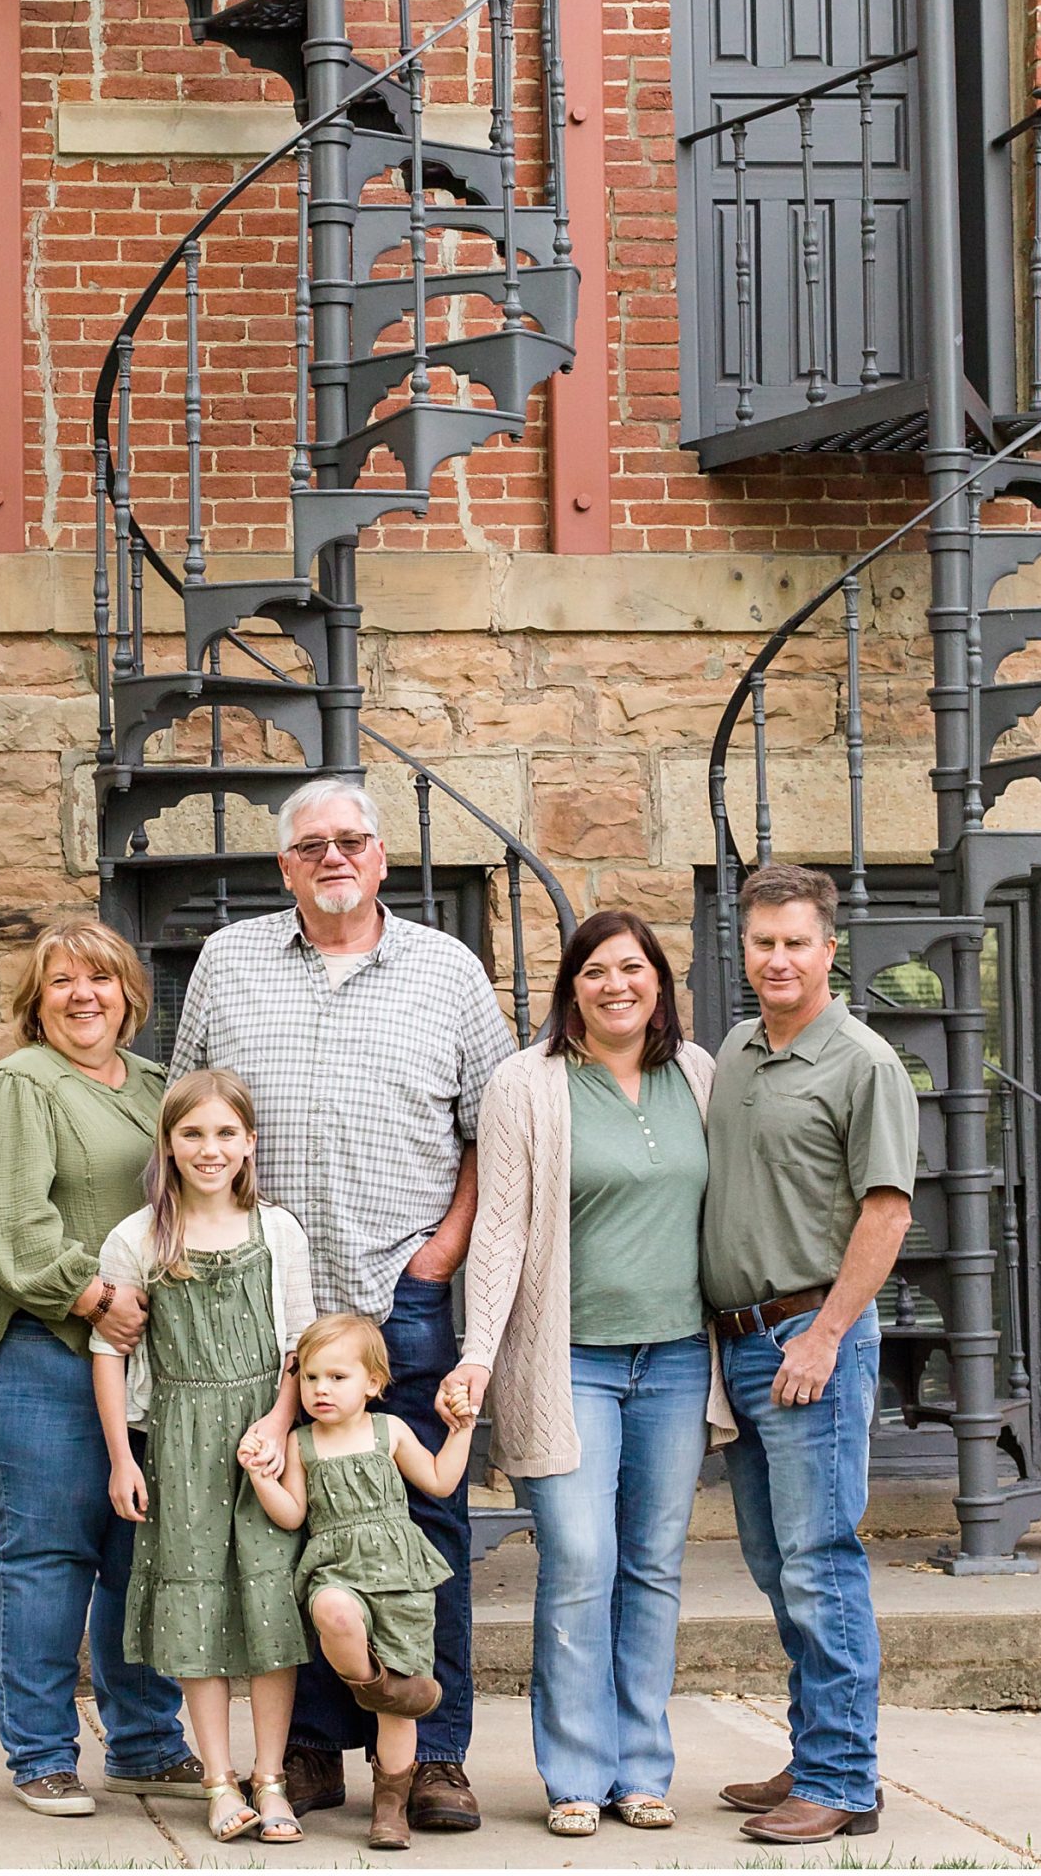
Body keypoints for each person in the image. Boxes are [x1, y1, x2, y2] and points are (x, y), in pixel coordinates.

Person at [170, 774, 512, 1834]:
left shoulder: (447, 972)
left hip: (394, 1299)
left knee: (422, 1526)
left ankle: (436, 1752)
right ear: (285, 866)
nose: (332, 858)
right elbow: (187, 1114)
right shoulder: (227, 963)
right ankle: (312, 1748)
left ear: (380, 858)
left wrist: (439, 1255)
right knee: (288, 1530)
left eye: (351, 841)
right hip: (263, 1306)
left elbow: (490, 1134)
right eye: (310, 845)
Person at [440, 909, 736, 1837]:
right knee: (576, 1560)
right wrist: (480, 1353)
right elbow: (498, 1229)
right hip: (569, 1362)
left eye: (633, 969)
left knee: (649, 1567)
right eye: (596, 971)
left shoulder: (698, 1076)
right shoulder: (525, 1085)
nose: (617, 985)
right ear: (571, 987)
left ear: (658, 982)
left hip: (679, 1359)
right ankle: (574, 1773)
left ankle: (640, 1769)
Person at [0, 918, 200, 1817]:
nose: (81, 996)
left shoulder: (151, 1085)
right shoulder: (22, 1084)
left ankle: (143, 1743)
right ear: (36, 1001)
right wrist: (90, 1295)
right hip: (42, 1353)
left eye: (98, 979)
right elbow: (4, 1220)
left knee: (140, 1555)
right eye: (60, 983)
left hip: (144, 1364)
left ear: (129, 994)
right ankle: (40, 1753)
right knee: (49, 1555)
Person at [706, 865, 919, 1847]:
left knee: (820, 1558)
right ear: (742, 949)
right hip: (741, 1345)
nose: (777, 958)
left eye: (796, 941)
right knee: (774, 1559)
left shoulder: (862, 1061)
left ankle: (843, 1778)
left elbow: (886, 1208)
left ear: (829, 948)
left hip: (809, 1342)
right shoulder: (738, 1051)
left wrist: (827, 1334)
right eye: (762, 942)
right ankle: (818, 1748)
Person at [92, 1069, 315, 1844]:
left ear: (249, 1142)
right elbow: (108, 1353)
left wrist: (281, 1426)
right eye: (192, 1134)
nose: (209, 1149)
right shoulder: (140, 1236)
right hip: (180, 1441)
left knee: (267, 1603)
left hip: (261, 1440)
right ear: (168, 1144)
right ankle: (219, 1779)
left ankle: (272, 1775)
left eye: (225, 1133)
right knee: (197, 1604)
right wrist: (123, 1457)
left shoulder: (277, 1230)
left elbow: (299, 1345)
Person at [249, 1314, 476, 1851]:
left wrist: (462, 1431)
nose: (320, 1389)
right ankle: (373, 1684)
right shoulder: (302, 1445)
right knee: (332, 1611)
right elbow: (292, 1515)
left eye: (337, 1377)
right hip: (336, 1568)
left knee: (398, 1712)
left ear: (373, 1383)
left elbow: (441, 1482)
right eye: (309, 1378)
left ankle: (390, 1807)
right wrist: (263, 1478)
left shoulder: (389, 1431)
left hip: (400, 1577)